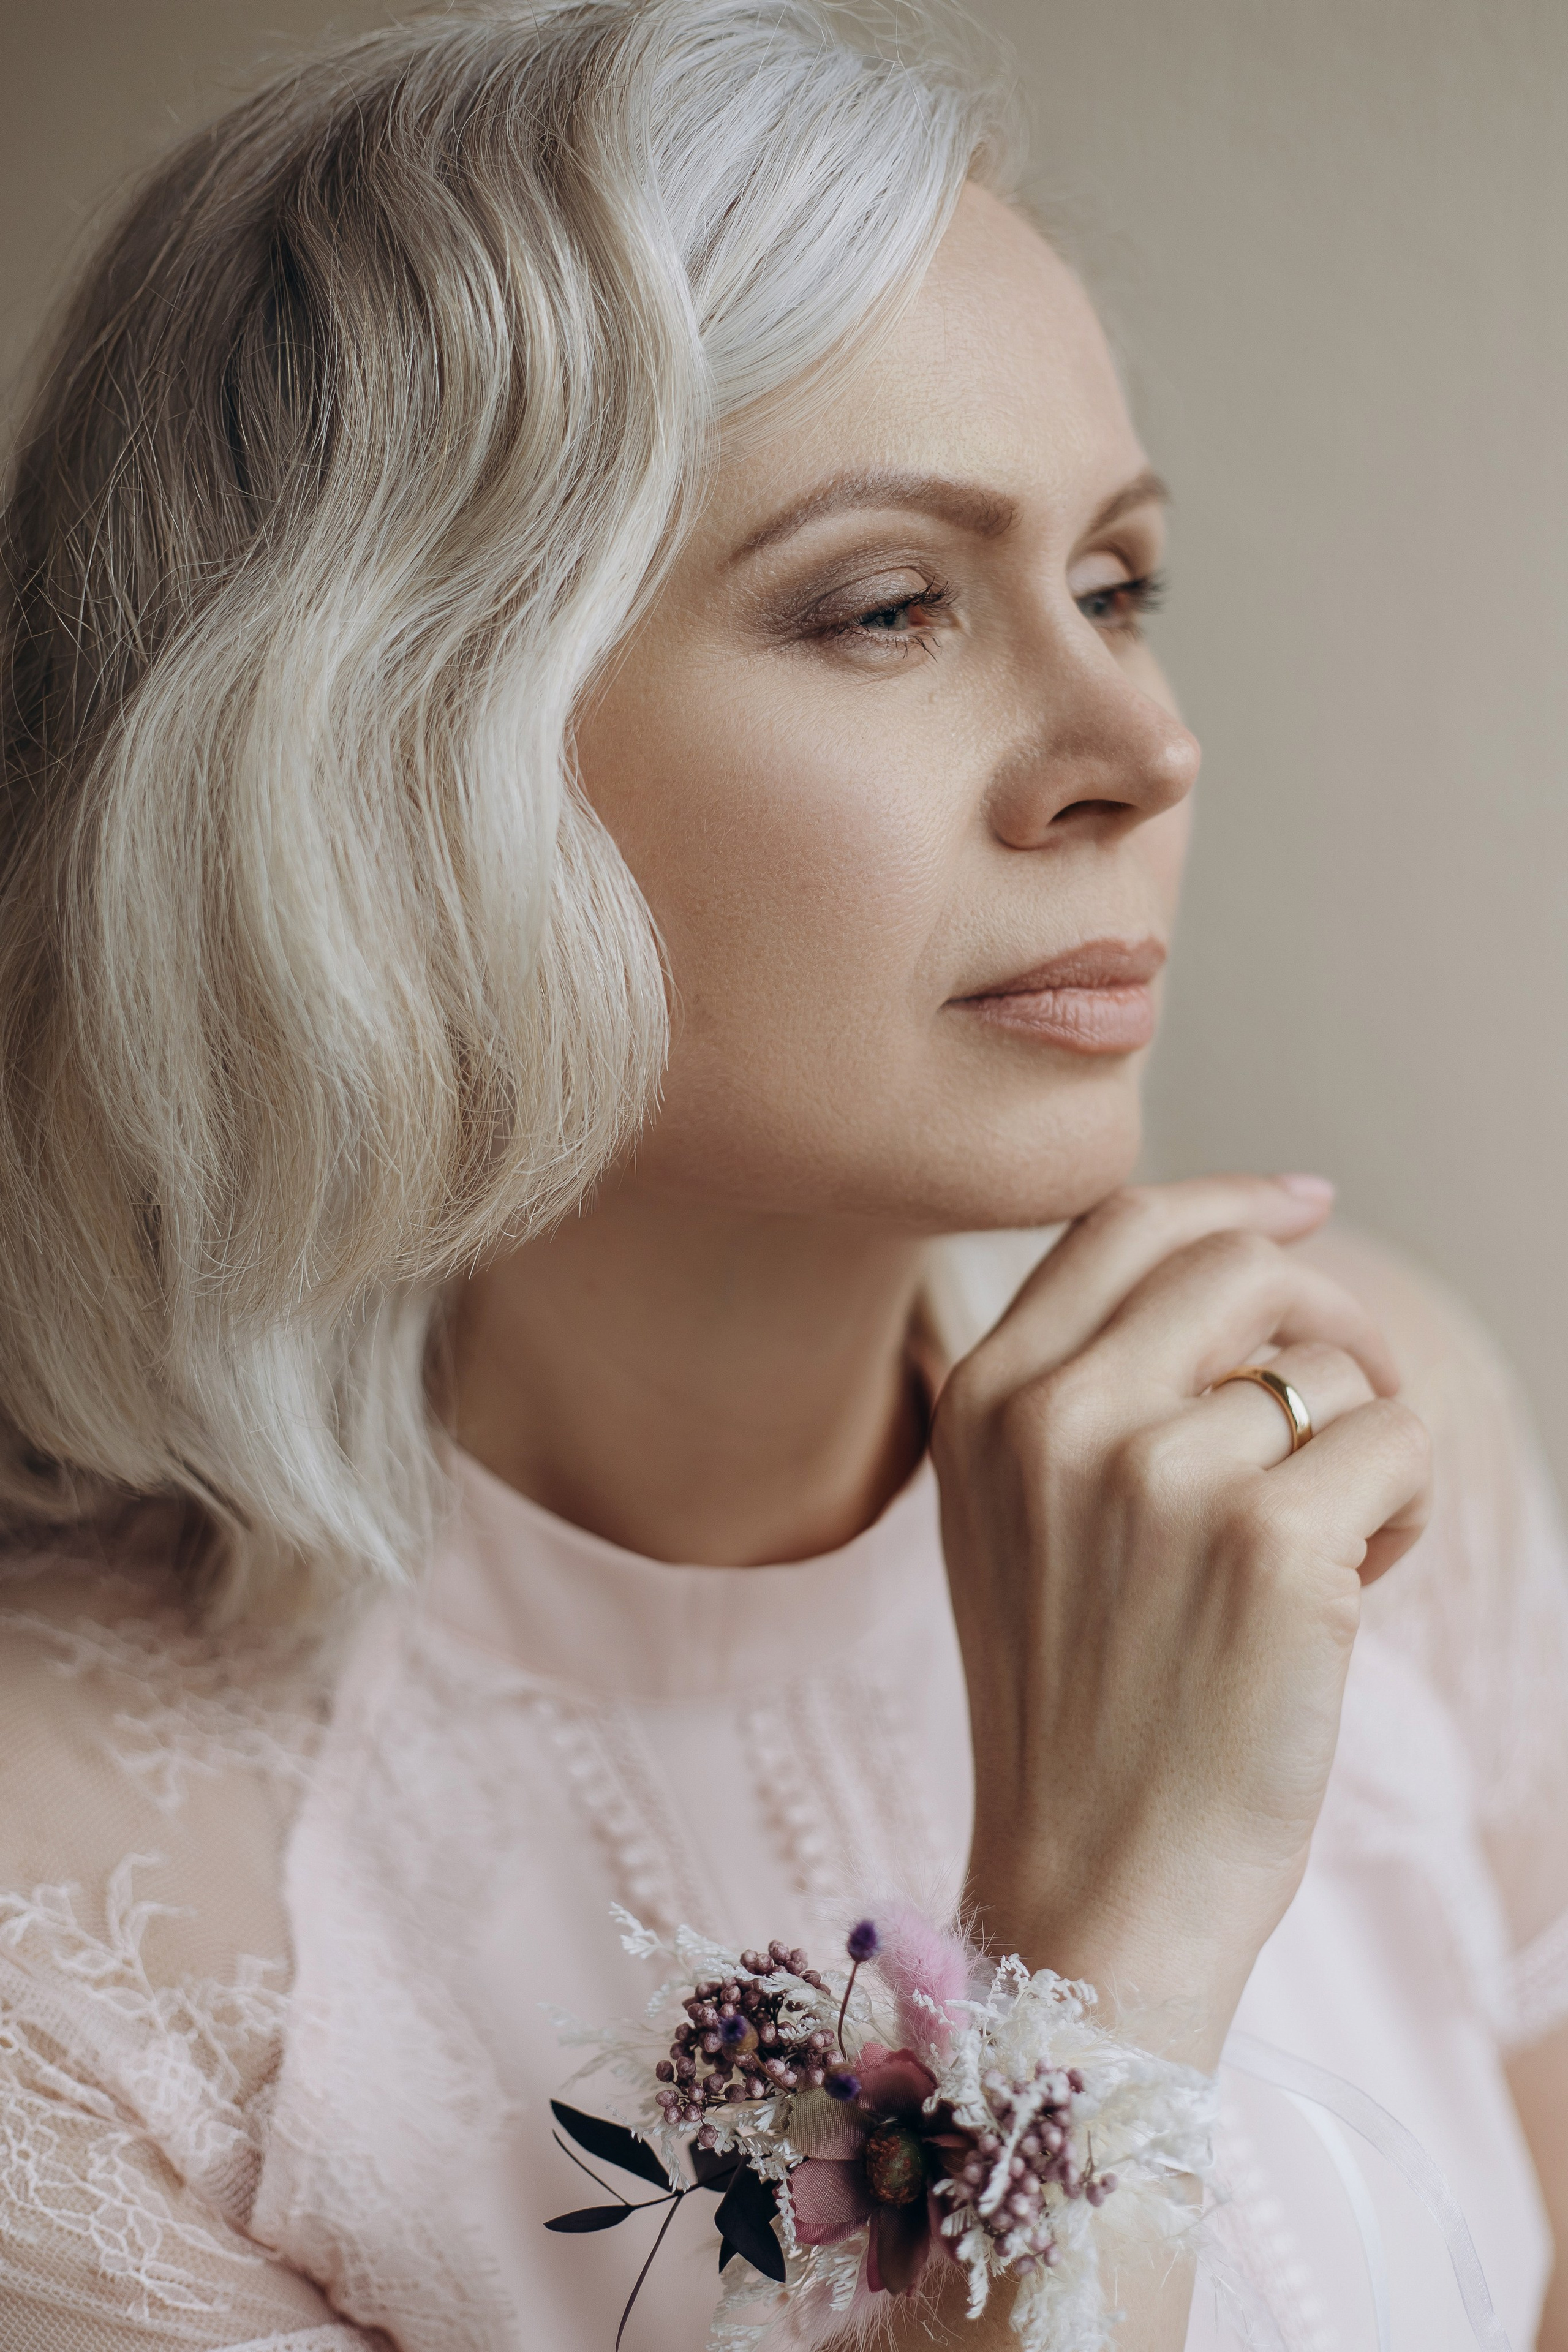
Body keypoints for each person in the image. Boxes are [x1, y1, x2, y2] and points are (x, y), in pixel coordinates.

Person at [0, 4, 1564, 2348]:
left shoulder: (1342, 1423)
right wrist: (1094, 1938)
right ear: (388, 758)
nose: (1138, 746)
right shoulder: (79, 1937)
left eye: (1118, 583)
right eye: (889, 605)